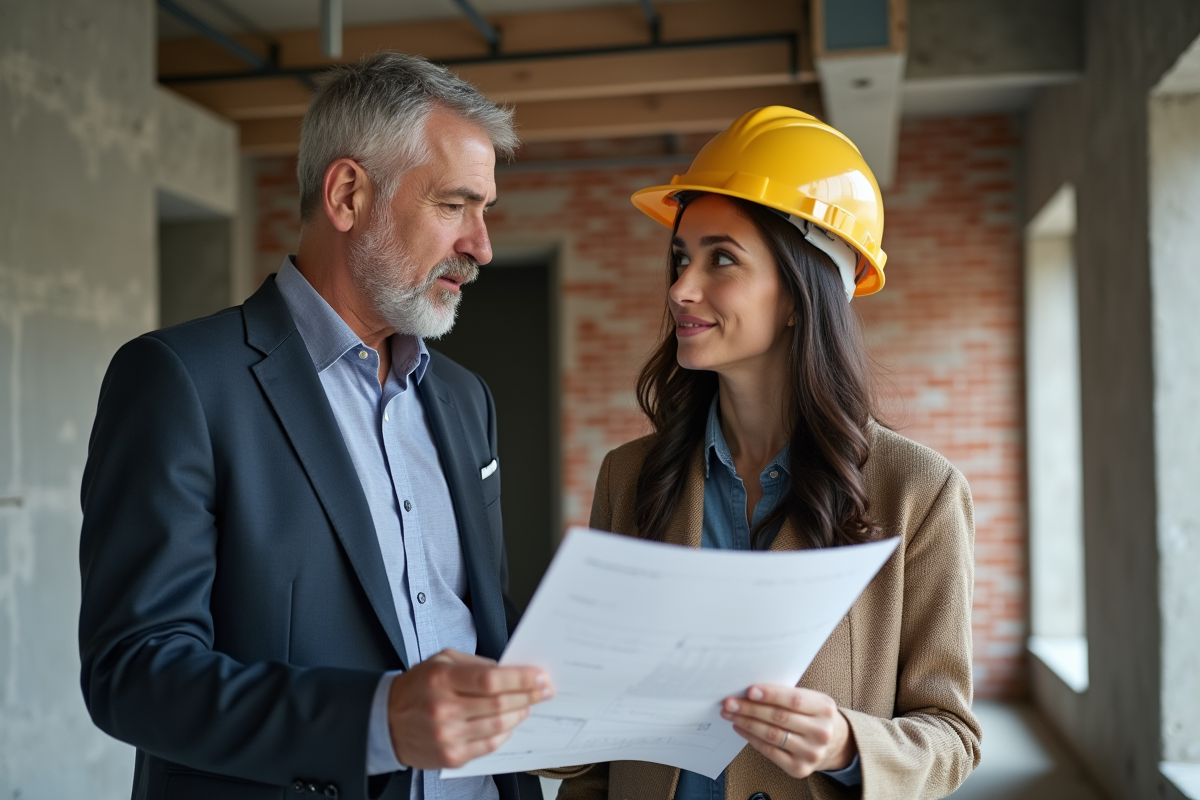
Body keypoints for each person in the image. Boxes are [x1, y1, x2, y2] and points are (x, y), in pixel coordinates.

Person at [78, 53, 552, 800]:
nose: (481, 245)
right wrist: (374, 719)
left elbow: (473, 619)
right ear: (347, 193)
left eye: (483, 210)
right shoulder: (179, 381)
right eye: (455, 205)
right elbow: (134, 673)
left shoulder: (466, 399)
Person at [550, 107, 982, 799]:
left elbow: (952, 735)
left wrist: (847, 744)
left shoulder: (918, 492)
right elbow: (599, 762)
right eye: (681, 258)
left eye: (722, 259)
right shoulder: (628, 478)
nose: (681, 288)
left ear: (798, 295)